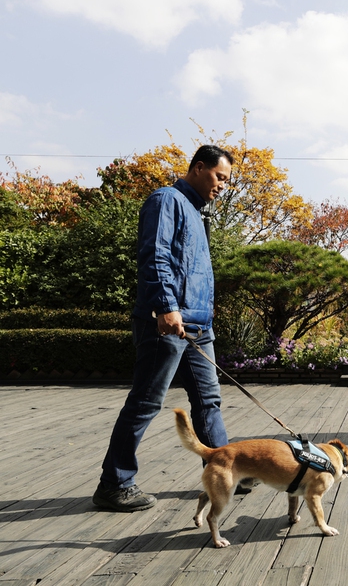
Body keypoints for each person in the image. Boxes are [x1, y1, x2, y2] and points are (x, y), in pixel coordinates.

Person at [93, 145, 234, 512]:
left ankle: (225, 470)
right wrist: (166, 306)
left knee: (209, 401)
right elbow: (154, 255)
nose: (223, 186)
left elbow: (191, 270)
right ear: (199, 168)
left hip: (198, 326)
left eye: (226, 181)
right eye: (220, 177)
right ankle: (114, 483)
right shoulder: (166, 200)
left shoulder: (198, 213)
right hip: (167, 324)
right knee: (145, 402)